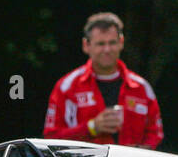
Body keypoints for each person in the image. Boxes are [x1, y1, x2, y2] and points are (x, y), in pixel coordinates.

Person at [44, 12, 163, 148]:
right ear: (86, 45)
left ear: (121, 42)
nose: (107, 49)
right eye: (100, 44)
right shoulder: (67, 87)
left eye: (112, 42)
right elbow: (51, 137)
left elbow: (155, 134)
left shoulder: (141, 88)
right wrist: (92, 127)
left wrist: (139, 152)